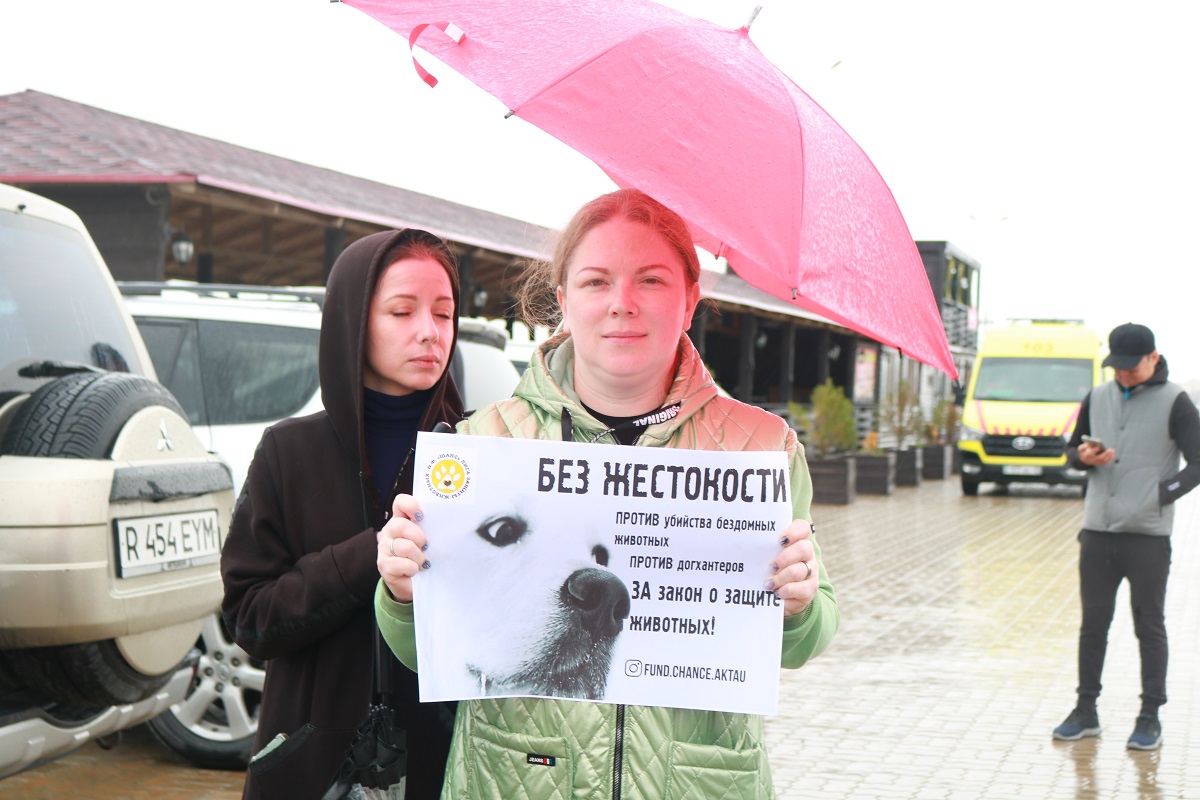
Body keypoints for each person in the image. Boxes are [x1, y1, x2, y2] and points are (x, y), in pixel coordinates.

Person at [375, 188, 840, 798]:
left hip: (695, 781)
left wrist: (800, 605)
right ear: (564, 301)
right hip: (516, 777)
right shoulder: (483, 443)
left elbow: (807, 639)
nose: (623, 303)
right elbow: (425, 653)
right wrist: (402, 592)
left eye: (651, 280)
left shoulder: (763, 447)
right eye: (597, 282)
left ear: (690, 299)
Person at [221, 229, 465, 799]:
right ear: (353, 320)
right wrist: (366, 557)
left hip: (445, 762)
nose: (429, 332)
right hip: (313, 764)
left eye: (444, 313)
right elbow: (249, 619)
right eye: (402, 311)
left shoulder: (477, 447)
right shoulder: (288, 451)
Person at [1052, 323, 1200, 750]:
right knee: (1092, 625)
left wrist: (1162, 494)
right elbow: (1071, 452)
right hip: (1097, 531)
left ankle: (1149, 716)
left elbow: (1197, 463)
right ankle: (1085, 711)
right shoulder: (1097, 396)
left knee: (1149, 626)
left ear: (1153, 358)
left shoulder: (1176, 401)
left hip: (1148, 537)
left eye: (1131, 367)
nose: (1123, 375)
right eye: (1116, 367)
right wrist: (1082, 457)